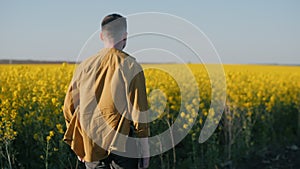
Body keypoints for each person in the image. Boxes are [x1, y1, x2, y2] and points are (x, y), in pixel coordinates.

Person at [63, 13, 150, 169]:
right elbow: (139, 112)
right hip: (123, 146)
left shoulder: (85, 66)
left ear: (101, 36)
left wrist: (78, 144)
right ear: (124, 36)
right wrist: (145, 150)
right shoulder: (130, 65)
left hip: (91, 145)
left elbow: (69, 107)